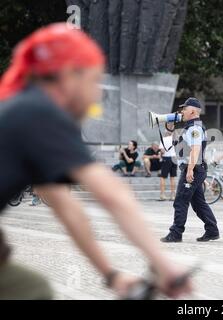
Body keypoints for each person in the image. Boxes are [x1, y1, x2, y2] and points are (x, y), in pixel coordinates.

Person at [0, 24, 191, 299]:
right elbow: (112, 194)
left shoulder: (20, 110)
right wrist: (165, 266)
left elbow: (67, 207)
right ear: (68, 75)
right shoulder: (39, 112)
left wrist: (110, 275)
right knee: (32, 291)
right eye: (95, 81)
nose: (98, 95)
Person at [161, 97, 220, 243]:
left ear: (192, 111)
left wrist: (189, 171)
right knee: (199, 203)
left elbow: (195, 150)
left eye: (184, 109)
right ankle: (212, 230)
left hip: (192, 168)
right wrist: (170, 127)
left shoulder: (195, 128)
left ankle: (176, 233)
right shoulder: (190, 127)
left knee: (181, 200)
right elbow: (179, 144)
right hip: (193, 168)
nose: (182, 111)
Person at [159, 127, 177, 201]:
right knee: (172, 177)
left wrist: (160, 155)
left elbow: (162, 151)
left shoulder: (163, 139)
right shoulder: (175, 139)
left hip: (166, 158)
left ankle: (162, 195)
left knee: (163, 177)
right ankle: (173, 195)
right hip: (174, 158)